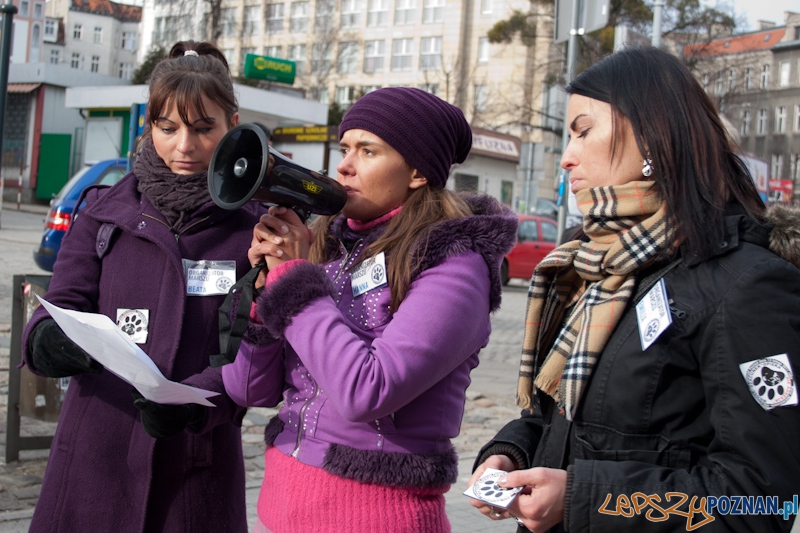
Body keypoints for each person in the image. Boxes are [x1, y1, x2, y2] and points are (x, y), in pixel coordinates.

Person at [469, 46, 800, 533]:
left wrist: (586, 499)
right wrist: (511, 449)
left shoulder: (749, 284)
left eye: (583, 131)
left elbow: (763, 501)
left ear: (652, 137)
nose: (566, 158)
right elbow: (574, 423)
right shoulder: (601, 267)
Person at [221, 87, 519, 533]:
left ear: (418, 171)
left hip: (376, 516)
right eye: (344, 148)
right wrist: (266, 297)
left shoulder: (455, 263)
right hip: (284, 506)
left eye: (367, 150)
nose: (344, 165)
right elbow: (248, 389)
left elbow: (367, 391)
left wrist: (296, 282)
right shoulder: (330, 244)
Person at [22, 41, 263, 532]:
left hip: (195, 464)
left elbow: (256, 350)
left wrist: (199, 407)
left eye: (203, 129)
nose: (184, 147)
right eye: (168, 127)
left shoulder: (255, 230)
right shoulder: (104, 210)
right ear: (149, 125)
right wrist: (48, 338)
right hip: (94, 453)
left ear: (232, 125)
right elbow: (61, 302)